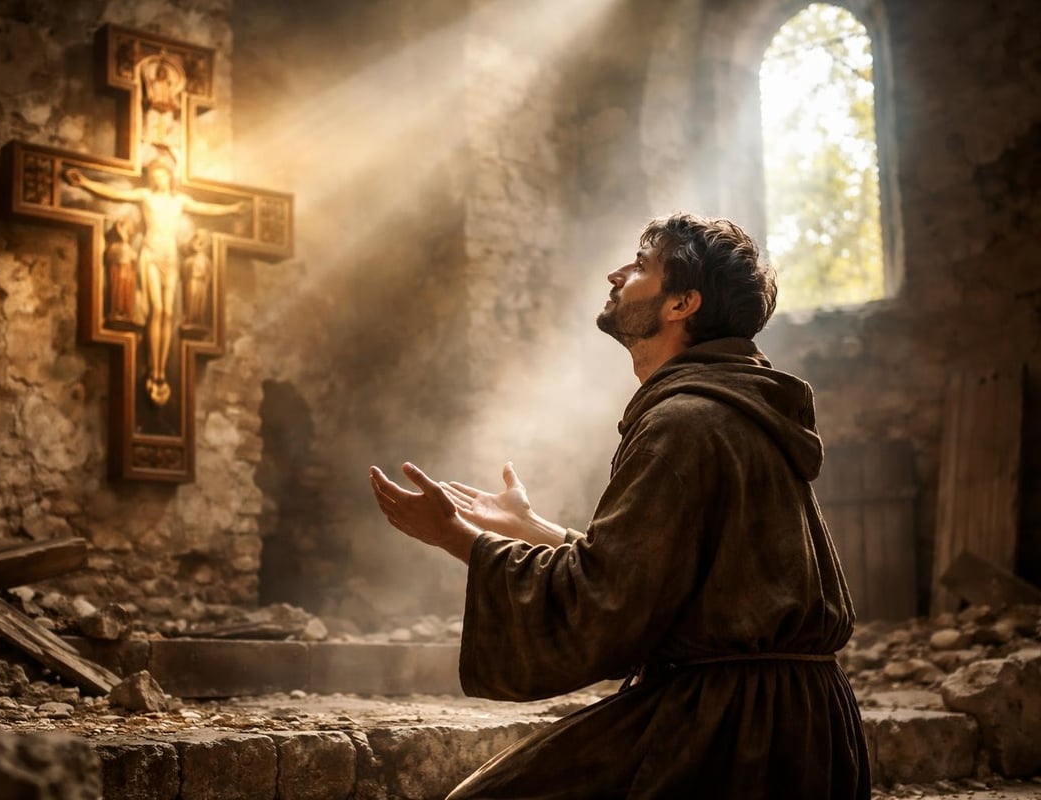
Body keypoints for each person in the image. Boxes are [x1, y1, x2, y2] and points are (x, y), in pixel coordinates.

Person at [369, 212, 870, 799]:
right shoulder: (729, 408)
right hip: (804, 720)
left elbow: (606, 605)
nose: (616, 273)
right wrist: (529, 528)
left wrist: (455, 535)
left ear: (682, 303)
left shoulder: (684, 423)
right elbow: (655, 574)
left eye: (640, 264)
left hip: (732, 731)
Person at [66, 160, 245, 406]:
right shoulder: (145, 196)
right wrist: (86, 182)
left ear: (170, 177)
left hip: (170, 256)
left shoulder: (180, 201)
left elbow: (206, 208)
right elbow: (117, 193)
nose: (159, 179)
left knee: (169, 313)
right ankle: (154, 371)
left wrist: (232, 208)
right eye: (155, 175)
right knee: (157, 310)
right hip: (150, 252)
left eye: (163, 174)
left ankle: (162, 369)